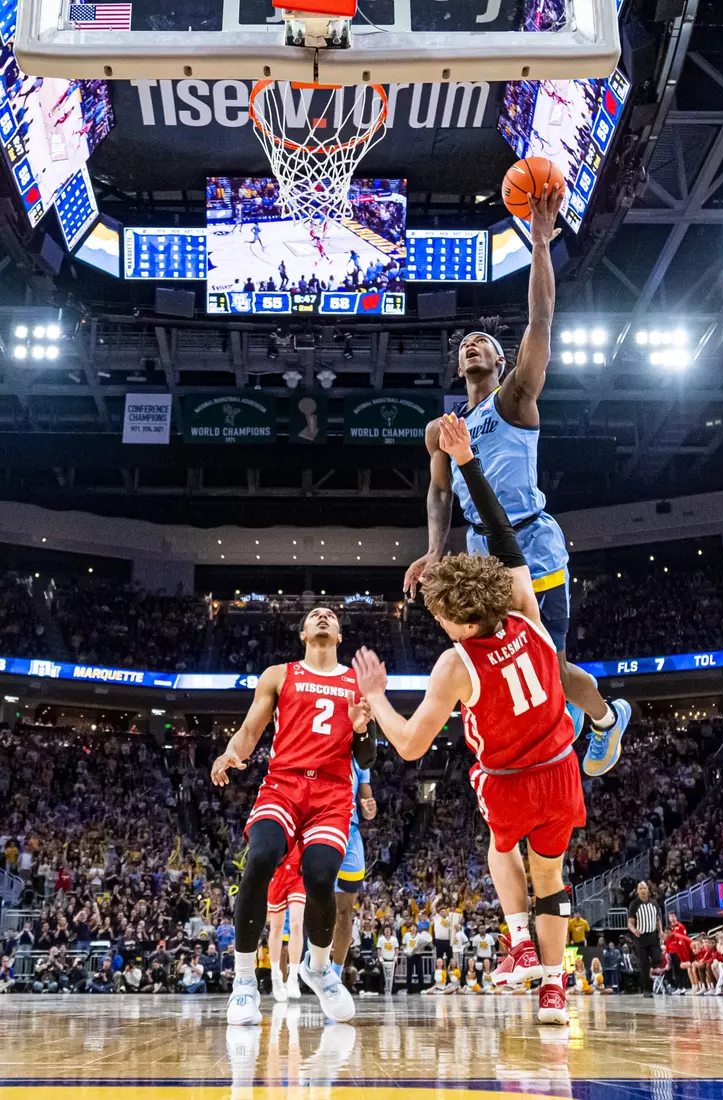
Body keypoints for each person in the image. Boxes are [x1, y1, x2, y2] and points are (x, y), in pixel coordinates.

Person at [353, 413, 586, 1025]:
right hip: (562, 769)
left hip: (510, 778)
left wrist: (375, 695)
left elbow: (406, 746)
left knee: (499, 849)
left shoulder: (456, 664)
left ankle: (518, 944)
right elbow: (505, 536)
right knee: (553, 876)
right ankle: (555, 992)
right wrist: (468, 463)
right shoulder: (528, 615)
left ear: (451, 618)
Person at [402, 186, 630, 779]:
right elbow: (440, 490)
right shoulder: (440, 430)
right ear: (459, 367)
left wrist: (540, 246)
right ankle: (573, 720)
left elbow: (542, 320)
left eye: (486, 342)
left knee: (546, 664)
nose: (473, 344)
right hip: (481, 549)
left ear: (502, 364)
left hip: (531, 540)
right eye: (466, 344)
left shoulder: (514, 400)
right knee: (508, 662)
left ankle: (607, 719)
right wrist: (432, 551)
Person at [210, 606, 376, 1025]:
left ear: (339, 634)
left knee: (321, 877)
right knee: (261, 857)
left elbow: (367, 756)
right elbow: (250, 730)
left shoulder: (357, 684)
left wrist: (360, 728)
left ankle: (317, 969)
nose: (322, 617)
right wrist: (233, 751)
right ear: (303, 633)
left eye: (331, 615)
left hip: (333, 793)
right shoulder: (278, 674)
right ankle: (245, 981)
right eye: (314, 615)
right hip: (284, 785)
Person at [331, 759, 377, 980]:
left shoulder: (359, 756)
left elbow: (367, 802)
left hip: (349, 834)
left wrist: (369, 809)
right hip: (319, 829)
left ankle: (334, 975)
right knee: (318, 907)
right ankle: (313, 962)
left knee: (344, 913)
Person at [266, 846, 305, 1003]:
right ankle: (276, 975)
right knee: (276, 928)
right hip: (277, 874)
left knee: (297, 924)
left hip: (298, 874)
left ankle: (293, 976)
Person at [627, 881, 663, 998]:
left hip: (653, 935)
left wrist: (661, 931)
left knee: (658, 959)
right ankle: (647, 990)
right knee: (643, 964)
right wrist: (634, 931)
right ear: (637, 891)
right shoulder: (634, 904)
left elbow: (658, 919)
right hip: (640, 938)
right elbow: (630, 923)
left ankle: (654, 973)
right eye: (640, 888)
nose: (643, 890)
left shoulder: (654, 903)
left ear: (648, 890)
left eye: (644, 888)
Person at [377, 922, 399, 994]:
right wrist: (380, 957)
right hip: (384, 960)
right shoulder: (381, 939)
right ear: (384, 931)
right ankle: (381, 990)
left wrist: (396, 956)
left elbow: (396, 948)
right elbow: (379, 949)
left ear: (390, 931)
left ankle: (393, 990)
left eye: (388, 930)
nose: (387, 931)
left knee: (392, 976)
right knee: (383, 976)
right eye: (386, 930)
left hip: (392, 960)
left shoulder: (394, 939)